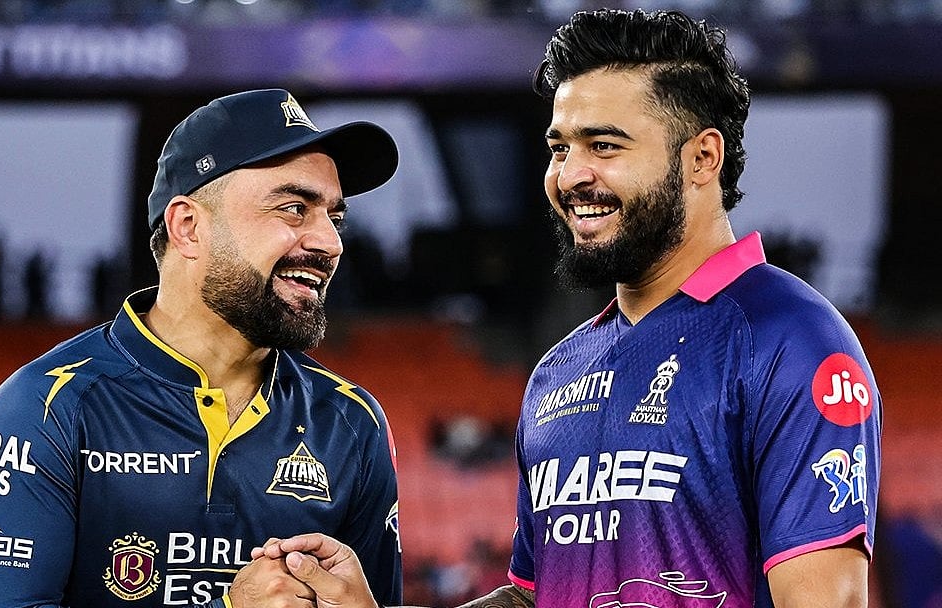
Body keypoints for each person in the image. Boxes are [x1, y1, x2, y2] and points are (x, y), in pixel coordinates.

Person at [239, 9, 881, 608]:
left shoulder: (790, 339)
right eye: (560, 147)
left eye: (604, 145)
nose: (570, 175)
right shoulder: (559, 371)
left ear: (701, 158)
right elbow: (531, 595)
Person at [0, 89, 404, 608]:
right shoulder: (46, 404)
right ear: (187, 226)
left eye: (335, 217)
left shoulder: (351, 421)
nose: (330, 241)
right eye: (294, 208)